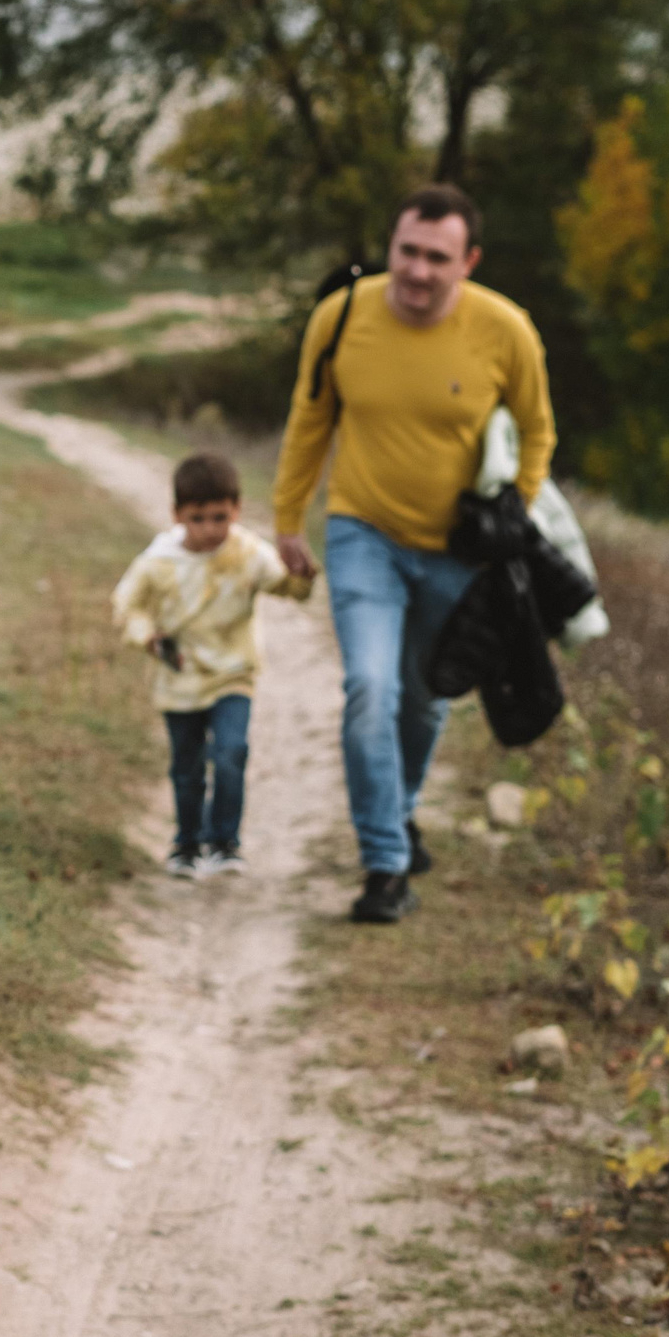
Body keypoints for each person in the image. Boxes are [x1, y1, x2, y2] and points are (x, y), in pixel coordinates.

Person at [272, 185, 556, 924]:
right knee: (370, 686)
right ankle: (386, 865)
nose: (419, 271)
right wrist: (288, 518)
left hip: (460, 554)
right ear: (389, 247)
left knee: (425, 700)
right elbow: (311, 418)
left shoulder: (506, 331)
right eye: (407, 252)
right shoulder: (340, 316)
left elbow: (538, 429)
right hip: (363, 532)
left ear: (469, 261)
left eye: (438, 257)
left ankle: (396, 811)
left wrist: (514, 511)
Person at [111, 451, 311, 881]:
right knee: (187, 766)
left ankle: (224, 841)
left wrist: (302, 576)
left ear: (236, 511)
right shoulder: (158, 562)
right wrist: (148, 637)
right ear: (177, 514)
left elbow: (283, 586)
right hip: (179, 678)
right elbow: (128, 608)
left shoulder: (248, 553)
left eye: (220, 517)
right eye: (198, 518)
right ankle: (186, 842)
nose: (210, 529)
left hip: (233, 674)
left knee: (231, 753)